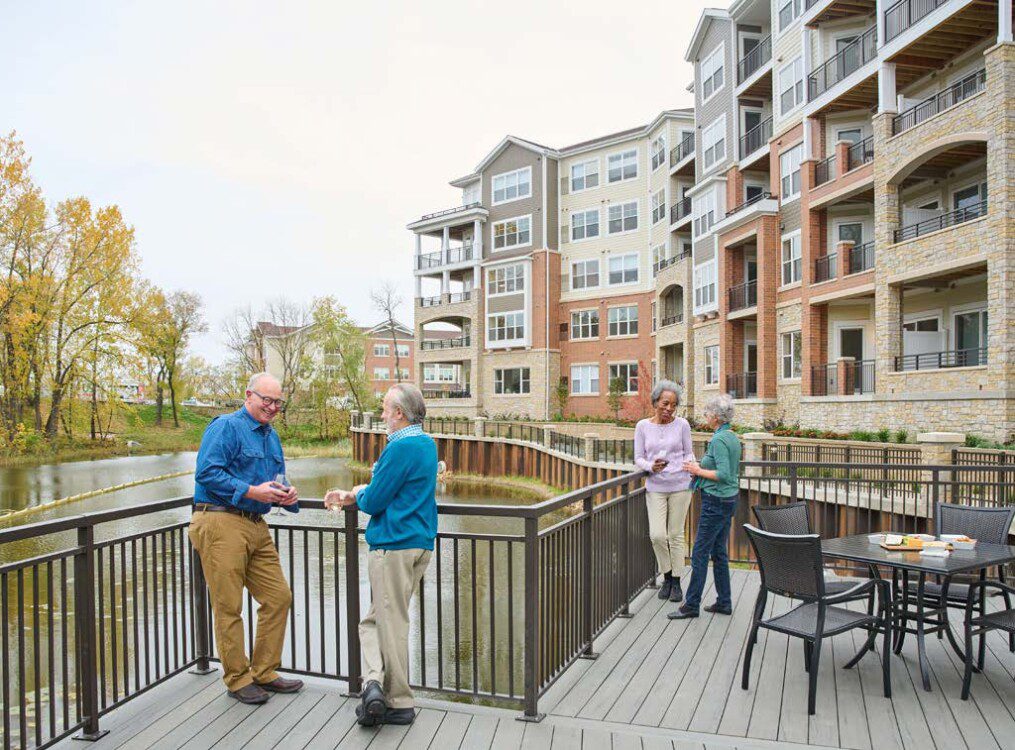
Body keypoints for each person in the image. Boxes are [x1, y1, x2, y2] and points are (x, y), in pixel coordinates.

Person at [325, 383, 437, 728]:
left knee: (391, 625)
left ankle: (399, 702)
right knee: (375, 622)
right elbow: (395, 492)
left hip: (393, 546)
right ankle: (373, 686)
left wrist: (358, 492)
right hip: (419, 543)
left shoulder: (400, 448)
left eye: (386, 409)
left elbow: (375, 501)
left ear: (400, 414)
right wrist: (364, 490)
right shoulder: (427, 445)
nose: (383, 415)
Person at [188, 372, 304, 704]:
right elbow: (207, 473)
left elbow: (275, 480)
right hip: (219, 520)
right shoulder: (226, 427)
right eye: (266, 400)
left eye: (277, 402)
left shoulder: (272, 436)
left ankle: (264, 672)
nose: (271, 407)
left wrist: (287, 494)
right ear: (248, 395)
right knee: (229, 606)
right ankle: (238, 679)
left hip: (256, 524)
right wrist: (253, 491)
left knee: (278, 597)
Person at [669, 393, 742, 620]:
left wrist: (696, 470)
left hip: (716, 501)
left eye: (708, 413)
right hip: (729, 500)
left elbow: (723, 474)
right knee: (719, 552)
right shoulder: (731, 437)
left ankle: (691, 605)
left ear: (717, 417)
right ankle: (724, 602)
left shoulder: (719, 440)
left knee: (700, 553)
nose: (706, 417)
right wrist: (699, 466)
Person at [634, 380, 694, 603]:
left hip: (681, 486)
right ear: (655, 402)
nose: (669, 409)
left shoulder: (682, 425)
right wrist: (650, 466)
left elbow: (689, 453)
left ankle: (676, 581)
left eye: (674, 405)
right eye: (665, 403)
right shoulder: (642, 426)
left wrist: (689, 466)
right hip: (656, 487)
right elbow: (638, 457)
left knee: (675, 535)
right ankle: (666, 574)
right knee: (657, 535)